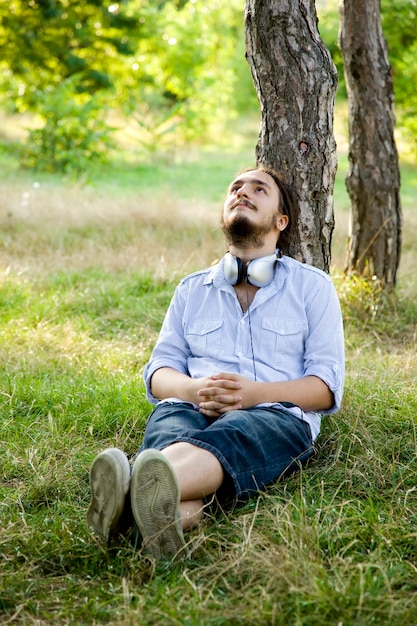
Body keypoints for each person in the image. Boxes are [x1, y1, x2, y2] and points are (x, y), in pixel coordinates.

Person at [87, 165, 345, 562]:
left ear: (281, 221)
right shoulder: (192, 289)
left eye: (259, 189)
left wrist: (253, 394)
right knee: (172, 433)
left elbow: (326, 387)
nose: (243, 192)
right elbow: (159, 372)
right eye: (235, 188)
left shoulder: (313, 287)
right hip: (188, 407)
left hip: (272, 415)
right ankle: (160, 514)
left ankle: (126, 489)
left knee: (236, 432)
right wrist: (193, 389)